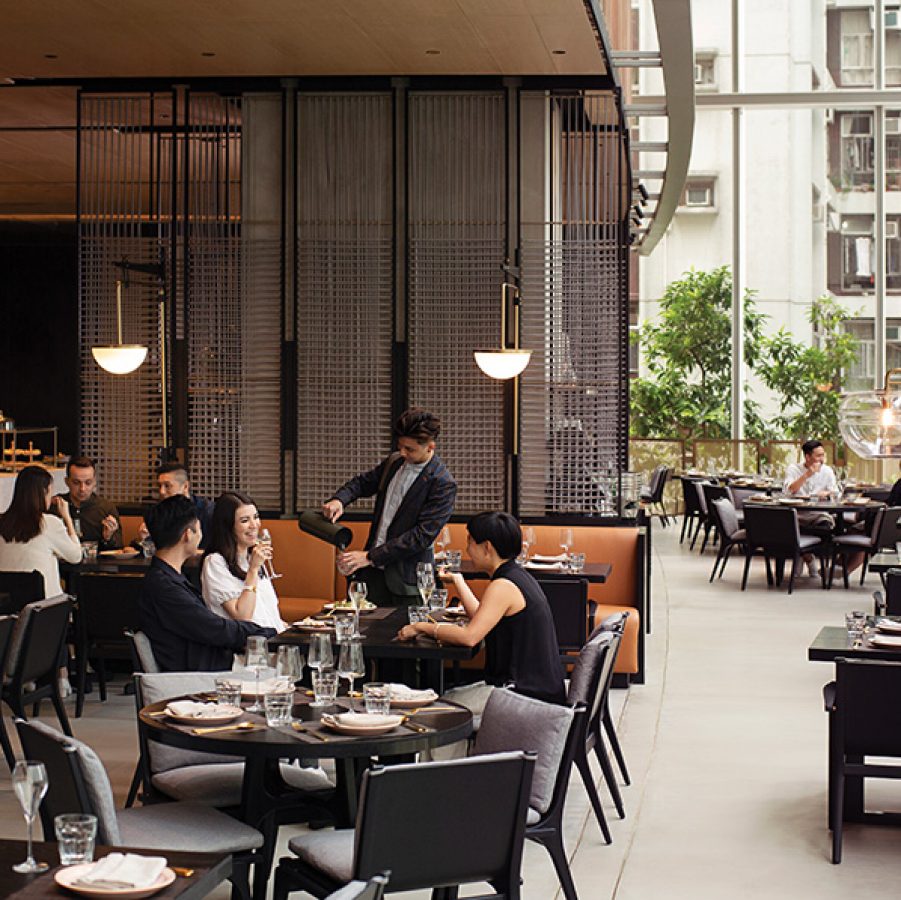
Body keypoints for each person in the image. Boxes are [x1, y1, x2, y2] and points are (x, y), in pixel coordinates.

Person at [397, 511, 566, 705]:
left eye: (470, 542)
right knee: (446, 697)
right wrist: (457, 581)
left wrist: (421, 627)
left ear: (487, 547)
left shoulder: (503, 585)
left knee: (438, 706)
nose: (467, 549)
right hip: (536, 690)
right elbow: (482, 618)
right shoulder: (516, 576)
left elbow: (470, 637)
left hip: (523, 697)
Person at [322, 408, 457, 605]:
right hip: (373, 577)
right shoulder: (394, 462)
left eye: (409, 449)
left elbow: (420, 537)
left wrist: (369, 556)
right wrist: (339, 500)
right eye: (400, 446)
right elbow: (363, 483)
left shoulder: (442, 483)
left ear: (430, 447)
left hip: (408, 581)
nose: (402, 452)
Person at [139, 495, 276, 672]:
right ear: (188, 535)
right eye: (199, 528)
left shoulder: (169, 579)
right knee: (293, 663)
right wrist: (265, 633)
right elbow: (215, 628)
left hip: (212, 662)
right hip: (204, 673)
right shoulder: (164, 586)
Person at [201, 491, 287, 632]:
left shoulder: (251, 557)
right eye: (245, 520)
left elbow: (266, 613)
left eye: (256, 517)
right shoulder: (215, 563)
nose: (254, 525)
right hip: (249, 649)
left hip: (273, 641)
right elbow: (243, 617)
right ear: (228, 526)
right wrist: (253, 570)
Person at [0, 464, 82, 598]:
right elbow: (75, 556)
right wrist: (67, 518)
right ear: (44, 492)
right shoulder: (48, 523)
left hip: (7, 609)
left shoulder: (2, 522)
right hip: (43, 609)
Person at [136, 462, 214, 550]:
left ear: (185, 486)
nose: (162, 491)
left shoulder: (207, 511)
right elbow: (157, 550)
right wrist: (145, 539)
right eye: (159, 486)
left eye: (167, 486)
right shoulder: (160, 512)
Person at [54, 456, 122, 550]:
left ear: (95, 482)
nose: (82, 489)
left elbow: (118, 548)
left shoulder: (106, 508)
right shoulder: (55, 504)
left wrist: (108, 538)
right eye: (76, 482)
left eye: (88, 483)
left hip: (97, 563)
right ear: (67, 482)